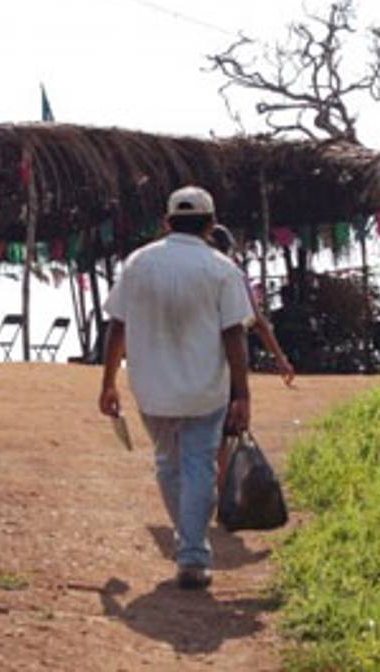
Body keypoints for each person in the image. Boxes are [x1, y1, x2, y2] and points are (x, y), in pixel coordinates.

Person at [98, 186, 254, 590]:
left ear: (167, 222)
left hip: (151, 390)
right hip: (206, 391)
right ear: (209, 224)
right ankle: (192, 553)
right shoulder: (221, 268)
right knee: (199, 466)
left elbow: (118, 325)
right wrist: (243, 394)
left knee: (169, 464)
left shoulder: (138, 264)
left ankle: (190, 546)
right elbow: (234, 334)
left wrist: (108, 382)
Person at [208, 224, 294, 492]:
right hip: (230, 360)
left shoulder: (194, 273)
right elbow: (257, 321)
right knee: (227, 431)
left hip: (197, 358)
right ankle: (222, 493)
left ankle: (205, 489)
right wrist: (279, 357)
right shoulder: (233, 275)